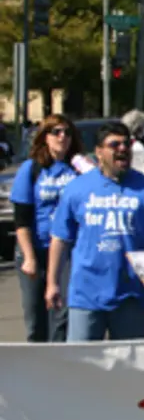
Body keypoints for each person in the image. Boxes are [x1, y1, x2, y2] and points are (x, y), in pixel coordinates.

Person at [46, 122, 144, 342]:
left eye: (126, 144)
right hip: (86, 294)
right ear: (99, 152)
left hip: (130, 293)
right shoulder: (77, 189)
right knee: (82, 359)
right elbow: (60, 238)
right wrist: (52, 283)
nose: (122, 149)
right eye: (114, 144)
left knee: (127, 360)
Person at [10, 115, 83, 342]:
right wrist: (29, 257)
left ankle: (59, 357)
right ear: (45, 137)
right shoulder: (31, 169)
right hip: (36, 248)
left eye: (67, 133)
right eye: (56, 132)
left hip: (67, 252)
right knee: (36, 318)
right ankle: (37, 358)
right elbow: (21, 219)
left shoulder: (78, 168)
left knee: (62, 314)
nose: (62, 137)